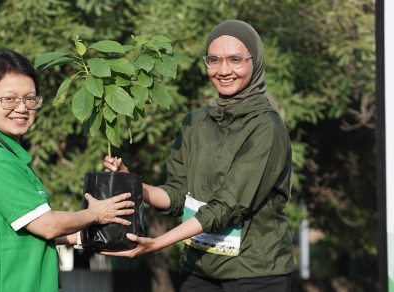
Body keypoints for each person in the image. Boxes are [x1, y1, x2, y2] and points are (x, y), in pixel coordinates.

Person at [100, 20, 295, 291]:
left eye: (235, 59)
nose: (223, 70)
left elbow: (227, 207)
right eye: (213, 60)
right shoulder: (196, 121)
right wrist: (134, 185)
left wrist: (157, 244)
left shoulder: (266, 128)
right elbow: (178, 195)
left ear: (255, 61)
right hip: (198, 269)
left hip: (255, 272)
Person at [0, 49, 134, 291]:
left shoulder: (6, 153)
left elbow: (21, 232)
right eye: (9, 99)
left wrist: (81, 235)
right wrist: (96, 214)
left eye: (30, 99)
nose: (21, 108)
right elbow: (47, 225)